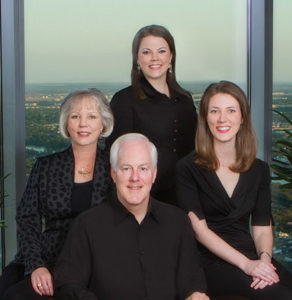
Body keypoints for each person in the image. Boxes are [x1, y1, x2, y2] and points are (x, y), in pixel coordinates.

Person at [54, 133, 209, 300]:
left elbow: (193, 279)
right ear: (113, 174)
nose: (135, 178)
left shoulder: (178, 222)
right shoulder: (87, 225)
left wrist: (195, 294)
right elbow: (67, 284)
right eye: (126, 168)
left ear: (154, 174)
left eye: (143, 168)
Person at [176, 81, 292, 299]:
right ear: (205, 119)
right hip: (210, 259)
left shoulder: (259, 169)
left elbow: (261, 227)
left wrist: (264, 262)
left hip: (249, 253)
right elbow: (200, 232)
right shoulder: (187, 168)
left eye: (231, 110)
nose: (222, 119)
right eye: (215, 111)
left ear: (242, 118)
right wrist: (248, 265)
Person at [0, 89, 114, 300]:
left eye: (91, 116)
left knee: (17, 297)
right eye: (75, 116)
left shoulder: (114, 169)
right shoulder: (45, 166)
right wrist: (36, 266)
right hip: (45, 254)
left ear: (103, 124)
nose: (83, 124)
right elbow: (27, 218)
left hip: (88, 260)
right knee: (5, 284)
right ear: (66, 124)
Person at [106, 24, 197, 206]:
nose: (155, 57)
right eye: (146, 52)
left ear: (171, 56)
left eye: (161, 51)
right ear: (137, 59)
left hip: (186, 198)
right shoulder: (124, 100)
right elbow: (115, 159)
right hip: (143, 201)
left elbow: (195, 151)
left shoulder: (185, 100)